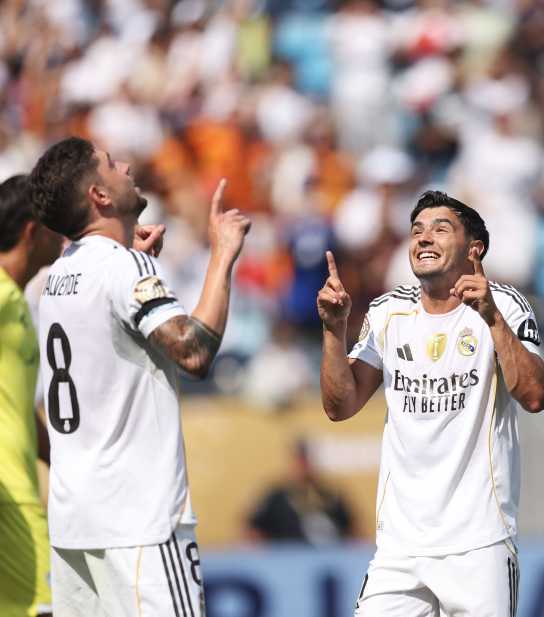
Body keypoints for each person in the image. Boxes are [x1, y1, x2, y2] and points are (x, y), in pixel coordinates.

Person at [29, 136, 251, 617]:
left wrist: (136, 259)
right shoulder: (121, 268)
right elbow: (193, 352)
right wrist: (223, 254)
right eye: (110, 164)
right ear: (99, 196)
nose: (126, 165)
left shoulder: (58, 276)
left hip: (75, 523)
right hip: (138, 521)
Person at [317, 190, 544, 616]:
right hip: (399, 547)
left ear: (473, 249)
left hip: (478, 543)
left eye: (441, 229)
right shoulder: (389, 312)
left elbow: (534, 395)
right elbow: (340, 405)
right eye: (417, 231)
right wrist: (335, 331)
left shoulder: (506, 307)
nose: (423, 239)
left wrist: (491, 317)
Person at [0, 174, 62, 617]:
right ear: (31, 231)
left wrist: (68, 458)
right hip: (10, 501)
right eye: (52, 224)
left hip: (20, 495)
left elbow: (19, 409)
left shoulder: (19, 301)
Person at [246, 440, 354, 545]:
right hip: (285, 557)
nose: (304, 466)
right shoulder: (276, 496)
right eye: (300, 461)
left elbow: (353, 530)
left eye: (307, 461)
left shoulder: (330, 495)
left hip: (326, 556)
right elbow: (253, 529)